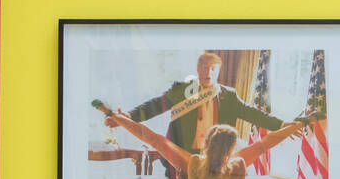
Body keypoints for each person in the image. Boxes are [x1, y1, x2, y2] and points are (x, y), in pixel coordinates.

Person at [101, 105, 311, 179]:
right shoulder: (238, 164)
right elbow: (265, 144)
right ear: (232, 147)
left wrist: (118, 118)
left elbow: (153, 139)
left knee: (157, 141)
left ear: (206, 143)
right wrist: (296, 126)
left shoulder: (192, 161)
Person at [119, 52, 288, 157]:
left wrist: (281, 125)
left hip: (215, 158)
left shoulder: (229, 96)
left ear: (218, 72)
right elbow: (155, 105)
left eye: (213, 69)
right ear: (198, 69)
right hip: (181, 157)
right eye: (205, 68)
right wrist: (129, 116)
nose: (209, 72)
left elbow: (254, 114)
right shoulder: (183, 90)